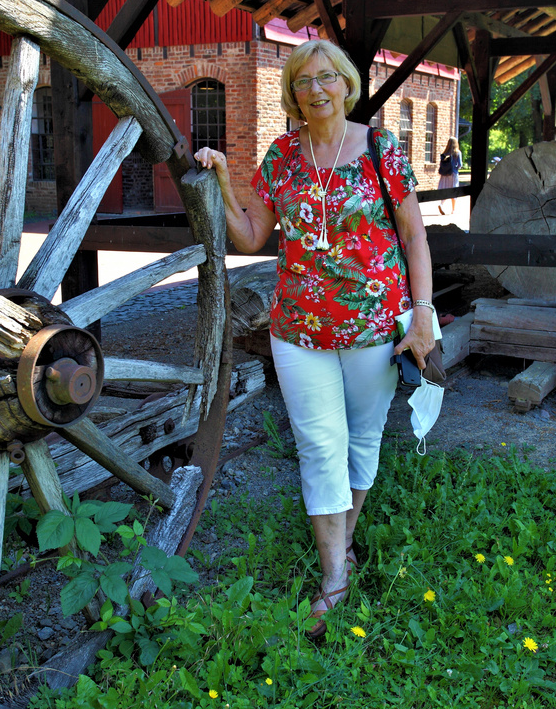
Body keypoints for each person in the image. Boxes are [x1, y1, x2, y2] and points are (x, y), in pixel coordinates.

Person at [194, 39, 435, 638]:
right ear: (293, 92)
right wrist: (224, 181)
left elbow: (415, 238)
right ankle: (334, 578)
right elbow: (251, 236)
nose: (318, 89)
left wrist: (423, 312)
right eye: (304, 81)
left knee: (362, 439)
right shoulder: (280, 157)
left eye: (327, 78)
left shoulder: (382, 149)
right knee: (319, 445)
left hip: (374, 327)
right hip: (298, 329)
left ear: (347, 84)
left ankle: (344, 543)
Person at [437, 136, 462, 215]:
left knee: (445, 189)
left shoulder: (444, 153)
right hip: (453, 173)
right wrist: (456, 167)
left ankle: (441, 204)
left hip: (444, 174)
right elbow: (460, 164)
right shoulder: (457, 153)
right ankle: (453, 210)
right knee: (453, 190)